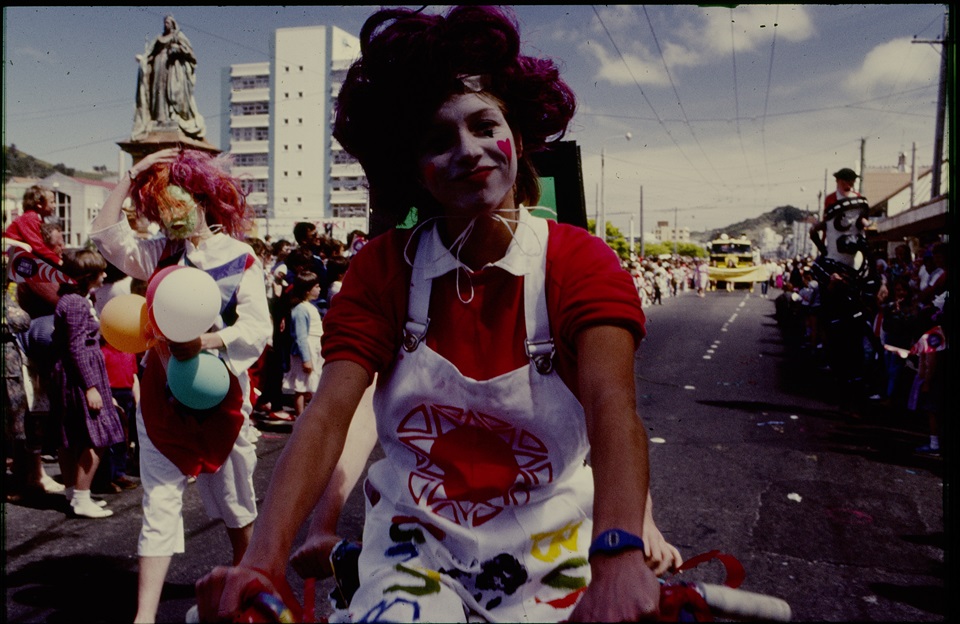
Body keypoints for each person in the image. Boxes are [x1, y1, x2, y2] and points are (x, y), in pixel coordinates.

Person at [197, 6, 666, 622]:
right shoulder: (382, 269)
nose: (467, 151)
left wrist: (620, 552)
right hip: (411, 549)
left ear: (517, 138)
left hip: (553, 544)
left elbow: (613, 410)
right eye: (438, 141)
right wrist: (262, 560)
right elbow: (331, 414)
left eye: (483, 126)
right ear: (410, 169)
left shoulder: (582, 262)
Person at [90, 147, 270, 623]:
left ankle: (251, 592)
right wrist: (133, 174)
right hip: (160, 400)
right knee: (160, 504)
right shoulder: (160, 253)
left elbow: (257, 329)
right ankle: (143, 618)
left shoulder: (240, 257)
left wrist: (202, 341)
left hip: (221, 396)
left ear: (204, 199)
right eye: (159, 207)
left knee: (234, 500)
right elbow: (106, 237)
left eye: (177, 202)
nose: (169, 214)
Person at [50, 248, 127, 518]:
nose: (105, 275)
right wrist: (91, 386)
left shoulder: (77, 298)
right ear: (86, 276)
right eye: (100, 272)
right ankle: (81, 498)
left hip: (75, 372)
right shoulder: (76, 303)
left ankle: (74, 493)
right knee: (98, 433)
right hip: (81, 374)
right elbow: (76, 347)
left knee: (72, 434)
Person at [133, 14, 206, 140]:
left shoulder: (178, 36)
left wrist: (177, 49)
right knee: (158, 92)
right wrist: (143, 60)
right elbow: (150, 53)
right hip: (158, 67)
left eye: (168, 22)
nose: (166, 24)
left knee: (172, 93)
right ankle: (160, 118)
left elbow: (190, 53)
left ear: (172, 24)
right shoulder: (159, 38)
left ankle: (172, 115)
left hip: (172, 68)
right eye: (164, 22)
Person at [281, 271, 324, 419]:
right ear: (307, 290)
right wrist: (306, 358)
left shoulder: (309, 307)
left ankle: (308, 415)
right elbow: (300, 337)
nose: (320, 289)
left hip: (314, 348)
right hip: (306, 351)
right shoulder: (300, 309)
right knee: (301, 386)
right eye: (316, 286)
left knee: (309, 385)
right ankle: (300, 418)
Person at [4, 185, 61, 265]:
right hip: (8, 250)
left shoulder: (36, 218)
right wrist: (57, 260)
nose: (54, 206)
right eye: (52, 202)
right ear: (39, 204)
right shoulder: (29, 218)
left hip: (14, 250)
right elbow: (37, 245)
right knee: (28, 249)